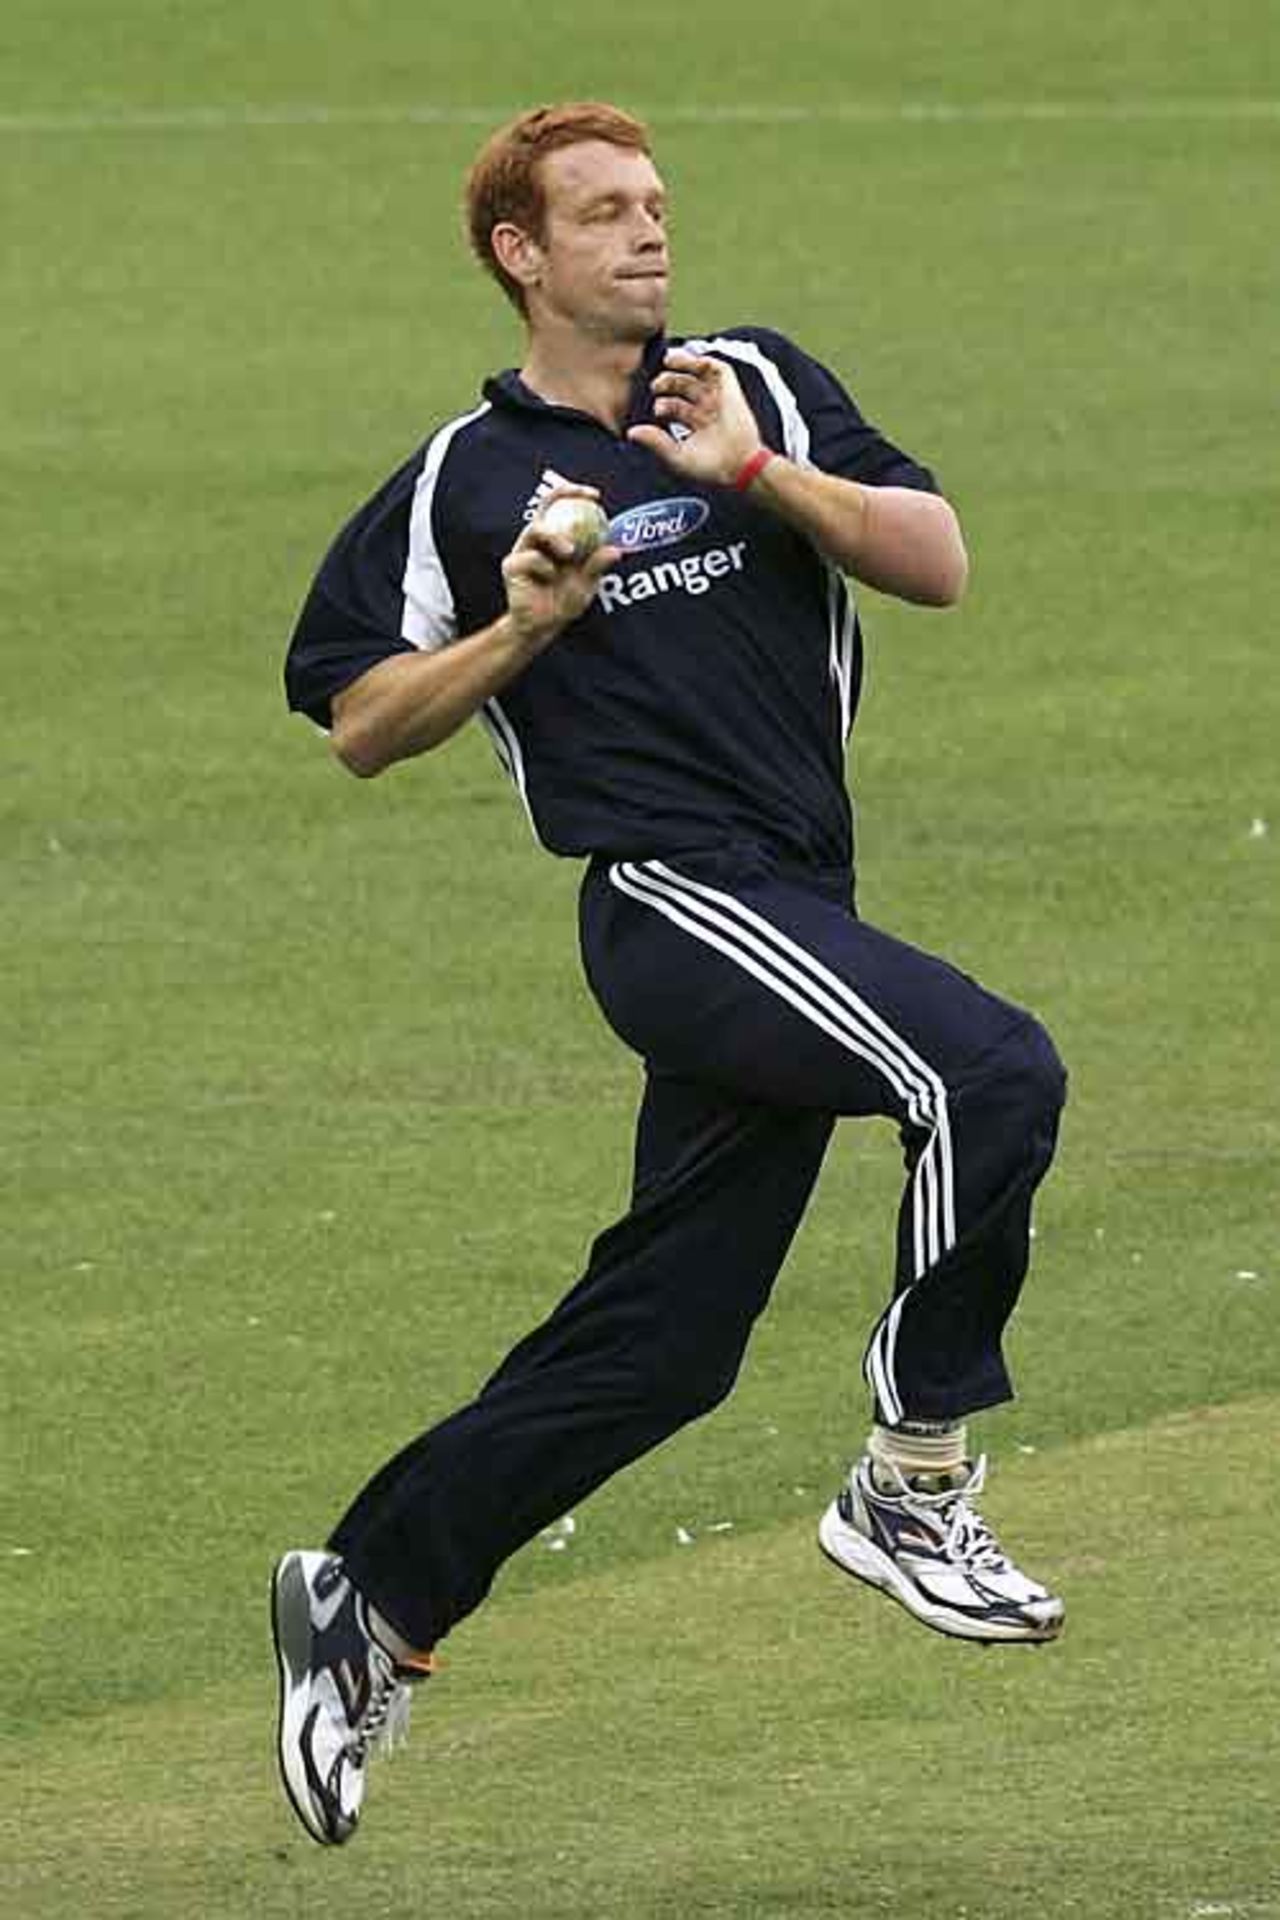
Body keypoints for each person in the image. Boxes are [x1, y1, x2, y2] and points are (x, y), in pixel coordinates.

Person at [273, 101, 1068, 1848]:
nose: (649, 235)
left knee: (664, 1349)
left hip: (801, 903)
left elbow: (936, 561)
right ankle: (912, 1479)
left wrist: (753, 477)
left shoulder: (753, 386)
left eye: (658, 206)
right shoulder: (460, 483)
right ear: (520, 253)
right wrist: (522, 628)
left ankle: (374, 1601)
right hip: (670, 906)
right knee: (990, 1074)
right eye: (606, 213)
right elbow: (355, 723)